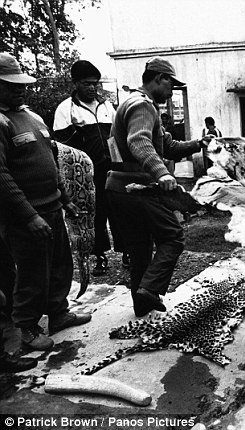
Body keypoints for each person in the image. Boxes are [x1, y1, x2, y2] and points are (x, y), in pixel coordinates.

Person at [106, 56, 212, 318]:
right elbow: (139, 142)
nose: (171, 90)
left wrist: (199, 143)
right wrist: (162, 173)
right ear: (159, 78)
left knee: (140, 248)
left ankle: (142, 303)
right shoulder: (142, 106)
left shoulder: (136, 104)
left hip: (119, 188)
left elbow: (169, 146)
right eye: (170, 84)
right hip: (137, 187)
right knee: (173, 236)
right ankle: (150, 290)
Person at [0, 53, 91, 351]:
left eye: (22, 84)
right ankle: (26, 326)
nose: (21, 89)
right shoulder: (1, 122)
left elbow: (50, 160)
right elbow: (2, 176)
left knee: (60, 265)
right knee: (31, 271)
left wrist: (65, 200)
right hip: (25, 215)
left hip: (52, 207)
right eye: (12, 85)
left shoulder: (33, 117)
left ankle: (58, 313)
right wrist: (29, 216)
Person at [53, 60, 128, 275]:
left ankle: (126, 253)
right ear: (75, 83)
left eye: (96, 83)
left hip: (111, 170)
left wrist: (119, 165)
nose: (93, 87)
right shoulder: (66, 110)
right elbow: (62, 148)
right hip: (85, 175)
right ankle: (99, 256)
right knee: (94, 216)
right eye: (87, 83)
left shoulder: (107, 106)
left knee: (119, 212)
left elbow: (115, 138)